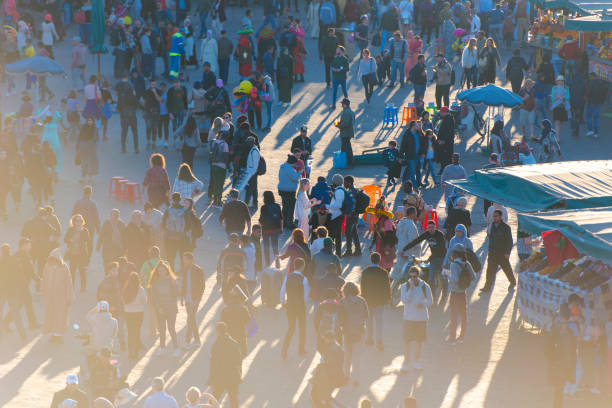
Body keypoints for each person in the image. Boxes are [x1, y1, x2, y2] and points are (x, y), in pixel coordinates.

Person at [402, 220, 447, 301]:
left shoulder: (440, 235)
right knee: (430, 278)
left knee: (444, 277)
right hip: (433, 258)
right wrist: (404, 249)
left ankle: (444, 296)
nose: (431, 229)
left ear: (435, 227)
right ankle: (431, 297)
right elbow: (416, 241)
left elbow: (440, 249)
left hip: (442, 258)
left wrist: (429, 259)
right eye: (429, 228)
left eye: (432, 227)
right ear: (427, 228)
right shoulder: (427, 234)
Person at [400, 266, 433, 371]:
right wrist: (410, 289)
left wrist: (423, 304)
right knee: (407, 342)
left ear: (418, 276)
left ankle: (417, 362)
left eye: (415, 276)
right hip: (408, 318)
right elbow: (404, 300)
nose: (413, 279)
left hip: (421, 318)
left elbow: (430, 301)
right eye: (411, 276)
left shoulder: (425, 286)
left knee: (420, 342)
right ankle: (406, 363)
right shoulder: (405, 286)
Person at [42, 248, 75, 343]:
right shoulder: (47, 267)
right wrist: (43, 292)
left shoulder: (64, 268)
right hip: (50, 296)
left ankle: (58, 335)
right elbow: (44, 280)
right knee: (51, 315)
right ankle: (53, 334)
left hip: (61, 297)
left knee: (60, 316)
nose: (53, 262)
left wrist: (69, 297)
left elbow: (69, 283)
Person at [339, 281, 369, 387]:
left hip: (347, 331)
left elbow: (340, 317)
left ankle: (345, 378)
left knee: (347, 357)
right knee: (357, 357)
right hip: (359, 331)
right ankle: (356, 379)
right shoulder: (362, 301)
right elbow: (367, 315)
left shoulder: (343, 301)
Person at [149, 261, 181, 356]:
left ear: (167, 270)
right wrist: (158, 308)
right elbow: (154, 297)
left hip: (171, 309)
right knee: (162, 329)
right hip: (161, 309)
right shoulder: (155, 282)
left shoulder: (172, 280)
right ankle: (162, 347)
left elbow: (176, 294)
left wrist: (175, 285)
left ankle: (176, 348)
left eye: (163, 270)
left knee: (171, 328)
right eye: (159, 271)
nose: (161, 272)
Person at [360, 252, 391, 351]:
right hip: (379, 301)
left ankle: (369, 338)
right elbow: (387, 287)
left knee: (369, 321)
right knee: (379, 322)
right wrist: (387, 299)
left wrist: (362, 298)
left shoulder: (365, 272)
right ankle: (379, 341)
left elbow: (362, 287)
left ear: (371, 260)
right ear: (379, 260)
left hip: (368, 300)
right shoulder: (383, 272)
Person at [446, 244, 475, 344]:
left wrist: (447, 274)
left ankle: (452, 338)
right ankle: (461, 337)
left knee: (453, 317)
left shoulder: (453, 265)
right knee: (463, 316)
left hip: (454, 293)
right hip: (463, 293)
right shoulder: (467, 264)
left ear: (454, 254)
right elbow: (473, 277)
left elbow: (454, 279)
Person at [480, 209, 515, 293]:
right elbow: (489, 236)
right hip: (492, 253)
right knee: (490, 271)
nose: (494, 218)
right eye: (493, 216)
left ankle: (512, 282)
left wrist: (507, 253)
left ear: (500, 216)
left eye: (496, 216)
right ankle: (487, 287)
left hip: (502, 253)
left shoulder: (506, 227)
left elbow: (509, 241)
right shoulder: (491, 225)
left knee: (507, 269)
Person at [208, 322, 242, 408]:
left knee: (214, 397)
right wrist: (239, 375)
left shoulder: (216, 345)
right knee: (233, 399)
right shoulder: (234, 343)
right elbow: (239, 361)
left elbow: (213, 364)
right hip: (233, 375)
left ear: (218, 331)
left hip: (220, 376)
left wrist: (211, 379)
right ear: (226, 330)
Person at [280, 257, 309, 358]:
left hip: (290, 306)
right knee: (302, 328)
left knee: (291, 328)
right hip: (300, 306)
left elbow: (282, 291)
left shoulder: (288, 277)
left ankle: (284, 350)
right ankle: (301, 349)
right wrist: (304, 305)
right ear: (303, 266)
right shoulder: (304, 279)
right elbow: (305, 295)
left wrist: (282, 302)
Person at [180, 252, 204, 348]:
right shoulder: (185, 270)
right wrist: (182, 297)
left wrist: (198, 299)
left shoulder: (198, 270)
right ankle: (192, 341)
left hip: (194, 299)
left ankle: (191, 341)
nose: (184, 261)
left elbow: (202, 286)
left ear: (191, 260)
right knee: (191, 319)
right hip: (187, 299)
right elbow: (184, 284)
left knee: (191, 319)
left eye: (185, 259)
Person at [64, 214, 92, 292]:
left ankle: (83, 287)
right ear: (74, 221)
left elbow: (88, 241)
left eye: (80, 220)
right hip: (72, 254)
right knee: (72, 271)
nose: (78, 222)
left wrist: (88, 254)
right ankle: (71, 287)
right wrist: (70, 240)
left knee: (82, 271)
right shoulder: (70, 230)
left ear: (82, 221)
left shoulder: (85, 230)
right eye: (76, 220)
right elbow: (65, 239)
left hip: (81, 254)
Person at [277, 155, 301, 229]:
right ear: (292, 162)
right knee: (290, 207)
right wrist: (299, 173)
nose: (295, 165)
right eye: (295, 163)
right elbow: (295, 178)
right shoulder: (289, 168)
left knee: (285, 206)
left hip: (282, 189)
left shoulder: (283, 166)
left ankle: (283, 222)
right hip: (289, 191)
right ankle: (289, 223)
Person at [326, 174, 346, 257]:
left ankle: (330, 251)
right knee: (338, 235)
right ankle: (338, 253)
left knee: (332, 234)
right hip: (340, 215)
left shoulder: (336, 190)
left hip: (334, 215)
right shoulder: (342, 190)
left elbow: (337, 204)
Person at [585, 72, 607, 139]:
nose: (589, 78)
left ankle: (590, 130)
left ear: (592, 76)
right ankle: (596, 133)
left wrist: (587, 97)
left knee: (588, 116)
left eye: (590, 76)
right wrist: (602, 100)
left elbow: (589, 93)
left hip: (591, 102)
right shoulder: (601, 83)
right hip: (598, 103)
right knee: (596, 118)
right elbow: (605, 92)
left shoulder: (591, 83)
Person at [335, 98, 355, 167]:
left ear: (345, 105)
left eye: (342, 104)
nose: (342, 105)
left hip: (345, 133)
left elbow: (345, 124)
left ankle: (347, 162)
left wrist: (338, 125)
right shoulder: (351, 112)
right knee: (347, 147)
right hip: (349, 132)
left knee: (345, 148)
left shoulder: (346, 112)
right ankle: (349, 162)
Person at [436, 107, 455, 171]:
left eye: (441, 112)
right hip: (444, 143)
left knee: (446, 159)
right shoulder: (445, 119)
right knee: (443, 158)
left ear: (445, 113)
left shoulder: (449, 120)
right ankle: (443, 170)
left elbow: (450, 133)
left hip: (447, 144)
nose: (440, 113)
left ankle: (445, 171)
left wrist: (444, 141)